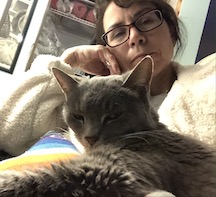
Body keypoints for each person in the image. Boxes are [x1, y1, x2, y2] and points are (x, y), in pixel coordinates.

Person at [0, 0, 215, 158]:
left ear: (172, 30)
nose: (135, 37)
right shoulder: (79, 105)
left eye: (147, 20)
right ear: (105, 48)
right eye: (119, 33)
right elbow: (8, 128)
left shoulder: (209, 78)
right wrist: (67, 61)